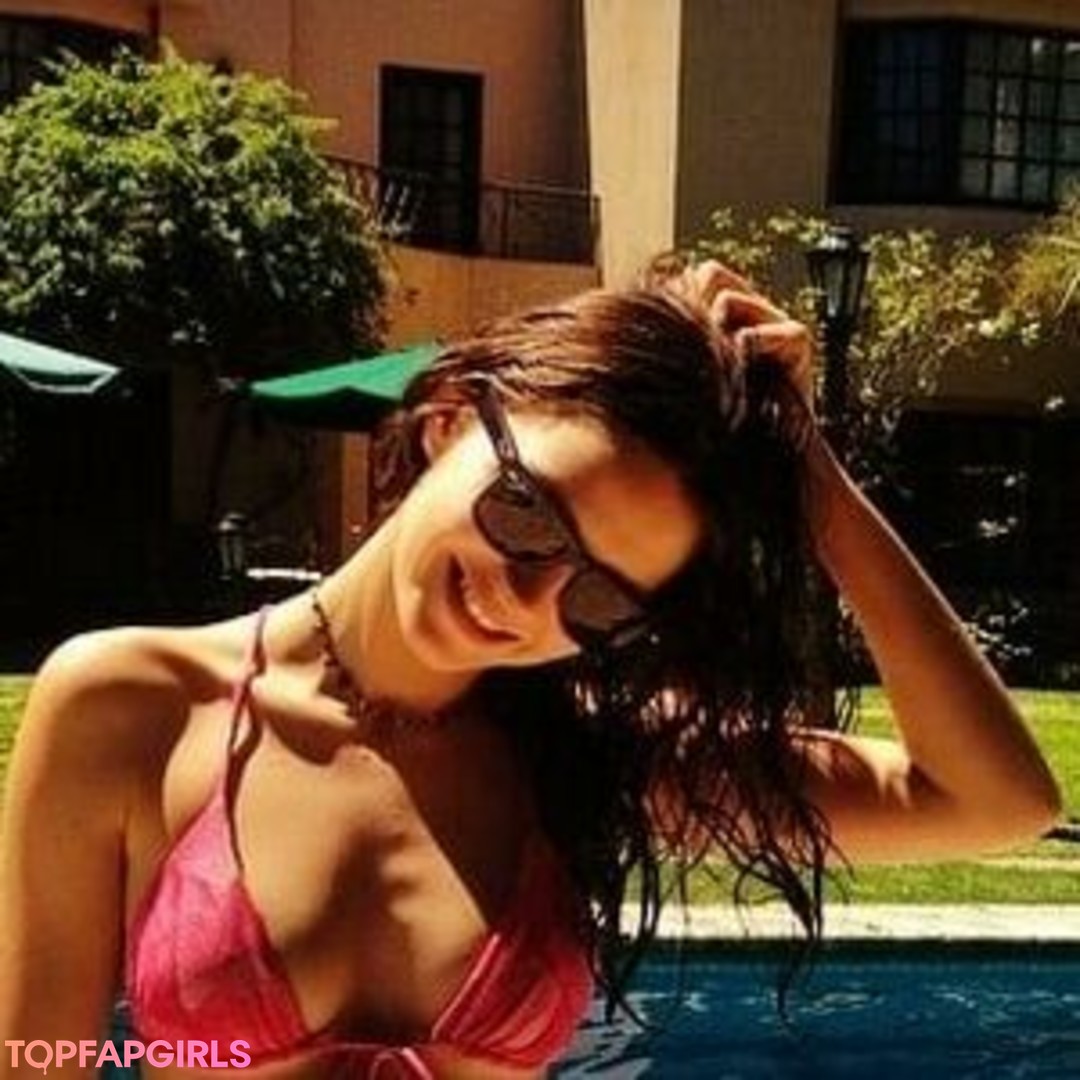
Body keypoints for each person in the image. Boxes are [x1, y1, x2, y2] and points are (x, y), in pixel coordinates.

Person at [0, 261, 1061, 1078]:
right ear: (451, 422)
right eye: (528, 513)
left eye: (599, 598)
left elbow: (993, 800)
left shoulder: (594, 758)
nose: (523, 598)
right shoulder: (131, 705)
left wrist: (808, 477)